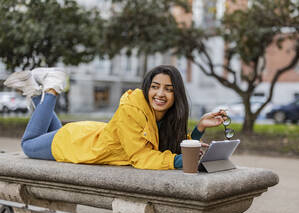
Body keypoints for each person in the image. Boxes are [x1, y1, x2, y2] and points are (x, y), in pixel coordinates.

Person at [3, 65, 226, 170]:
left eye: (168, 89)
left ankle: (34, 92)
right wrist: (182, 161)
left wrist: (200, 128)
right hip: (77, 144)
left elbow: (171, 145)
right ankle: (52, 87)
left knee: (43, 132)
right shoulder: (133, 107)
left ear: (176, 94)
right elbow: (141, 157)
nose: (160, 94)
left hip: (87, 134)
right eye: (155, 87)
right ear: (147, 87)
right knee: (29, 145)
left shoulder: (166, 117)